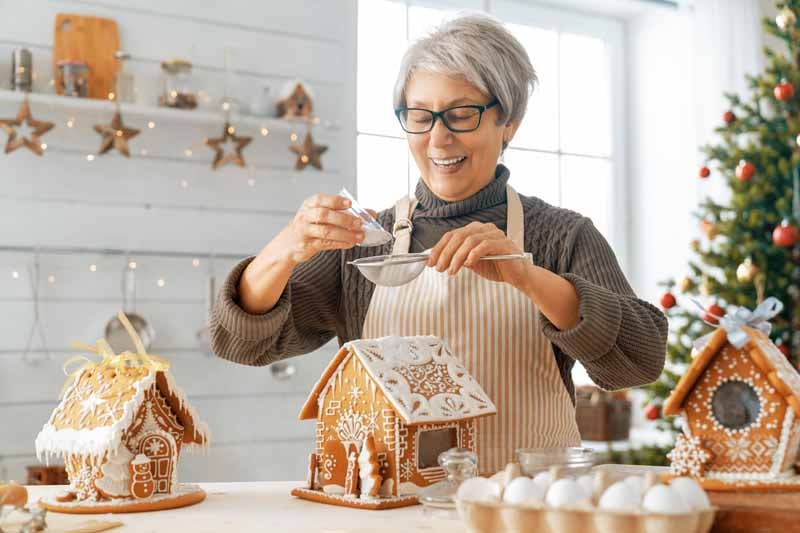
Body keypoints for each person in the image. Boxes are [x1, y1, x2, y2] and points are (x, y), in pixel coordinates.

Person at [211, 13, 667, 473]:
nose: (438, 137)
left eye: (461, 113)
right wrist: (284, 250)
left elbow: (640, 361)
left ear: (509, 121)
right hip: (398, 514)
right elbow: (240, 343)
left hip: (526, 509)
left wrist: (528, 277)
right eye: (420, 115)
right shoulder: (364, 245)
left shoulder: (562, 236)